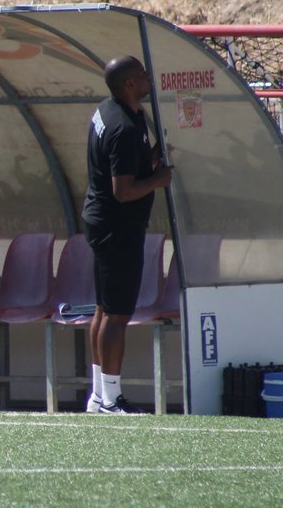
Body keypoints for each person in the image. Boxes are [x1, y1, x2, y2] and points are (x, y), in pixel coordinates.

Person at [82, 55, 173, 415]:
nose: (149, 77)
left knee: (104, 309)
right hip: (116, 227)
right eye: (142, 74)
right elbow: (122, 191)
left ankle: (97, 395)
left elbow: (129, 165)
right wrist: (158, 180)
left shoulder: (117, 110)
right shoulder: (121, 127)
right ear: (129, 84)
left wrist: (152, 158)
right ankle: (110, 397)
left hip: (105, 222)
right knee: (117, 315)